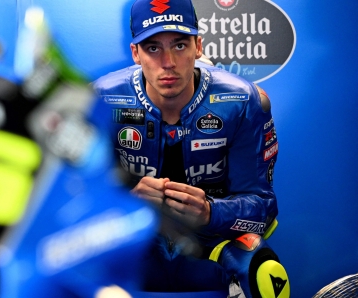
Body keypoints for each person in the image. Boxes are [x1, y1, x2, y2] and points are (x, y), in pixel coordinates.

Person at [92, 0, 290, 297]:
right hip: (135, 240)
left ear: (198, 46)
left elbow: (263, 210)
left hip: (209, 243)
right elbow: (71, 205)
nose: (168, 62)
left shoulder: (242, 100)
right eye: (153, 48)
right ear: (136, 54)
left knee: (265, 271)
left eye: (180, 46)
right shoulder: (102, 100)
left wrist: (211, 212)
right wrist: (129, 204)